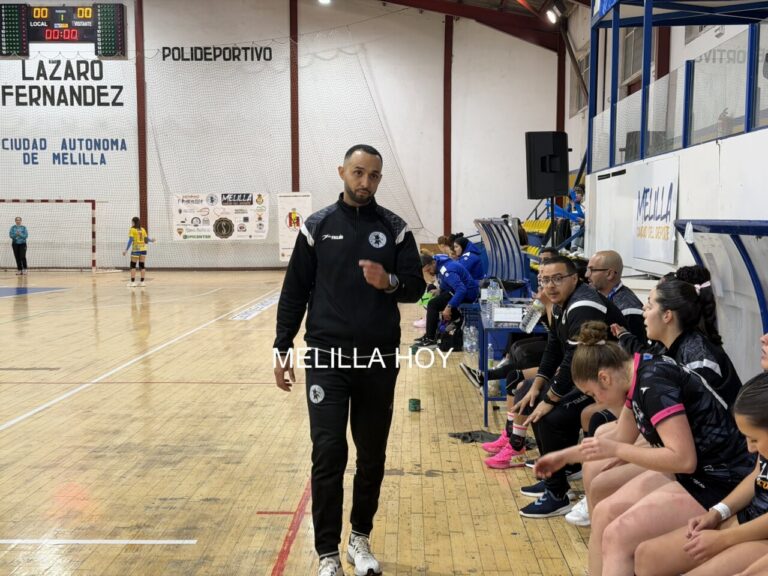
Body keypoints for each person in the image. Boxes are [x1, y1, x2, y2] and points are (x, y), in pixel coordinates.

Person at [273, 144, 425, 576]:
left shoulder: (395, 229)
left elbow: (416, 286)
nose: (365, 182)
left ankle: (359, 538)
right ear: (342, 172)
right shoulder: (317, 227)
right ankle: (327, 553)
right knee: (328, 452)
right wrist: (282, 349)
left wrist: (388, 281)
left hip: (378, 359)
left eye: (373, 175)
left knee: (371, 455)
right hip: (327, 357)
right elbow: (294, 293)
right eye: (358, 173)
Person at [533, 321, 754, 576]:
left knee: (617, 535)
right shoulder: (638, 372)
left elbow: (682, 459)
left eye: (593, 394)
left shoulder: (653, 384)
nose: (597, 401)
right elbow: (621, 436)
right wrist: (562, 457)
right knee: (604, 512)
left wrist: (617, 451)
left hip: (722, 480)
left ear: (604, 377)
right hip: (697, 473)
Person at [509, 256, 631, 518]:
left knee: (548, 415)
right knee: (531, 396)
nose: (550, 286)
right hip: (588, 376)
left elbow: (572, 359)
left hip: (611, 383)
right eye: (544, 280)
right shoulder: (560, 304)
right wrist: (538, 385)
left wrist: (550, 399)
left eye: (557, 279)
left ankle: (557, 494)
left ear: (574, 279)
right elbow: (554, 347)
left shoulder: (583, 305)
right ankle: (556, 476)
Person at [634, 371, 768, 576]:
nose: (750, 449)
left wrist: (724, 538)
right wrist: (718, 512)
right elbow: (757, 475)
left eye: (754, 439)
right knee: (647, 556)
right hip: (750, 517)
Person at [416, 252, 479, 349]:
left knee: (433, 304)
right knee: (434, 297)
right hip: (457, 290)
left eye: (429, 270)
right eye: (426, 271)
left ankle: (431, 339)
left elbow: (461, 290)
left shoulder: (447, 270)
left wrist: (449, 307)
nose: (429, 273)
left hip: (468, 294)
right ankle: (434, 332)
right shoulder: (437, 259)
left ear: (433, 263)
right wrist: (439, 290)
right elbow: (445, 281)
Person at [122, 217, 154, 288]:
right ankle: (142, 282)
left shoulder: (132, 229)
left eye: (132, 222)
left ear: (133, 222)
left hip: (136, 249)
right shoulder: (143, 229)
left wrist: (126, 250)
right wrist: (152, 240)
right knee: (142, 265)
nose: (131, 223)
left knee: (133, 265)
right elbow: (146, 239)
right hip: (143, 249)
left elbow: (130, 240)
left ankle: (132, 282)